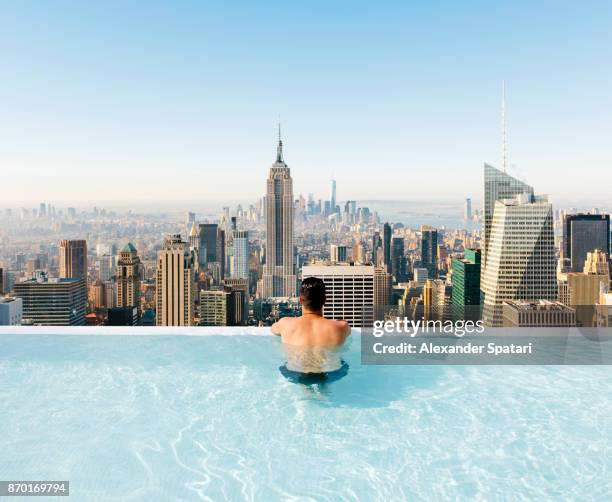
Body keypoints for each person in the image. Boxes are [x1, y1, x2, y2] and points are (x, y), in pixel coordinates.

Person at [272, 277, 350, 382]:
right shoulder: (341, 327)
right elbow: (347, 329)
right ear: (324, 300)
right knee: (343, 364)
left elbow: (273, 330)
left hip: (293, 372)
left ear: (300, 300)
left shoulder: (285, 323)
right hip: (332, 372)